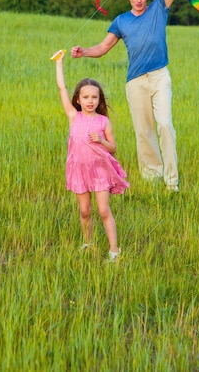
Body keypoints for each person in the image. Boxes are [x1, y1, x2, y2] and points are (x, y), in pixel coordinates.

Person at [71, 0, 181, 192]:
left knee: (164, 124)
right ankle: (152, 177)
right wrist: (83, 52)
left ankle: (172, 182)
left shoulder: (158, 9)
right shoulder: (121, 21)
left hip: (159, 76)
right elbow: (104, 47)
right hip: (135, 82)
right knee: (144, 132)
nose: (139, 0)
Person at [54, 50, 129, 261]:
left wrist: (102, 141)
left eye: (94, 97)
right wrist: (59, 62)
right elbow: (61, 88)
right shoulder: (73, 116)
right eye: (86, 97)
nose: (90, 101)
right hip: (79, 170)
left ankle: (114, 250)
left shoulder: (103, 122)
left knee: (104, 210)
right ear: (77, 99)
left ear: (99, 99)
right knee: (85, 211)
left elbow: (113, 148)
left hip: (99, 171)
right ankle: (87, 243)